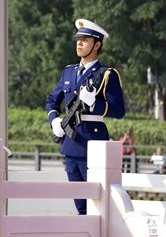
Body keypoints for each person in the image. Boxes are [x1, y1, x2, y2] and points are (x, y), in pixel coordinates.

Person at [46, 18, 125, 215]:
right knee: (80, 206)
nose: (79, 43)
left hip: (93, 144)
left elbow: (119, 110)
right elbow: (51, 101)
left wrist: (94, 103)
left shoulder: (107, 74)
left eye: (85, 40)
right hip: (71, 146)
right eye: (78, 39)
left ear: (97, 45)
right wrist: (54, 119)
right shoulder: (69, 72)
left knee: (96, 205)